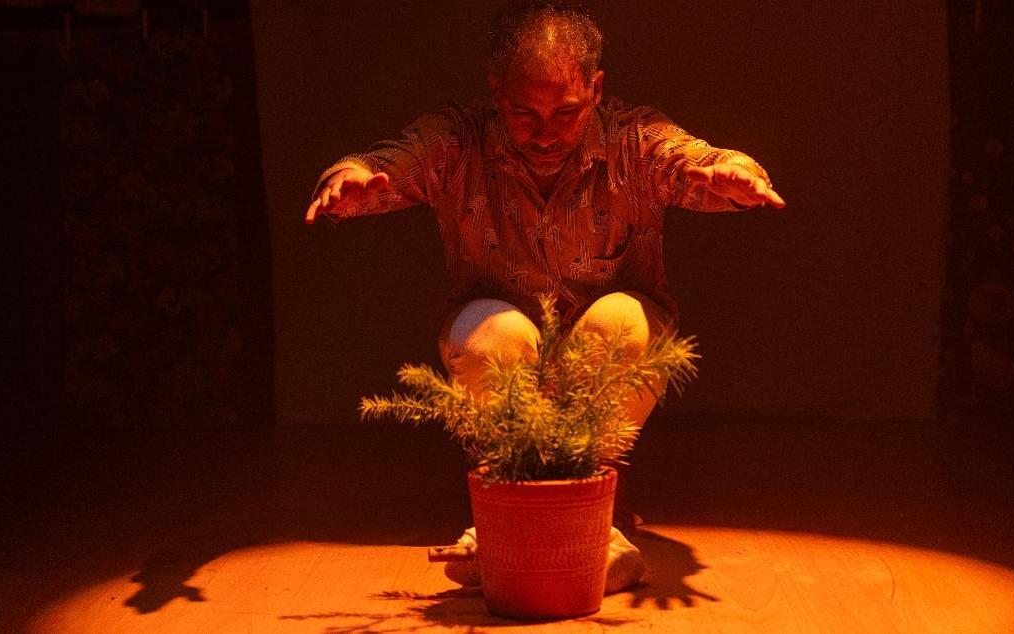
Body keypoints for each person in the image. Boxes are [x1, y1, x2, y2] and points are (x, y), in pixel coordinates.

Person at [305, 1, 784, 592]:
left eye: (566, 112)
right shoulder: (457, 141)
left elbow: (699, 160)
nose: (544, 134)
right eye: (521, 112)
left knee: (619, 320)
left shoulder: (635, 140)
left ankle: (590, 522)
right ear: (494, 89)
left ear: (596, 88)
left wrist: (735, 174)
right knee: (499, 333)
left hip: (612, 345)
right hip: (499, 342)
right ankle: (507, 514)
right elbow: (387, 162)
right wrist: (347, 180)